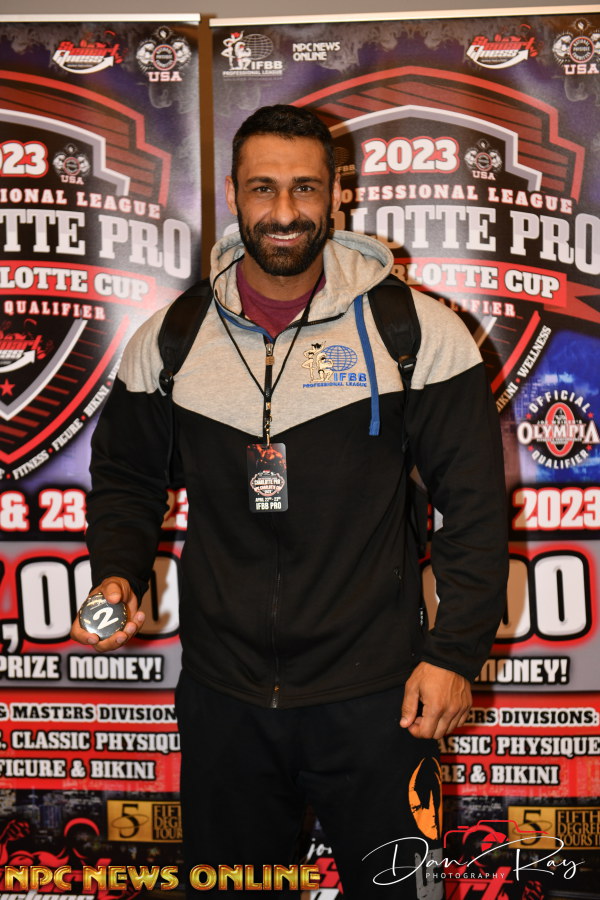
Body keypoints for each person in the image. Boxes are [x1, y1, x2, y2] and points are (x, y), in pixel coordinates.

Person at [71, 104, 508, 898]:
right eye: (263, 188)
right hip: (225, 697)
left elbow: (473, 508)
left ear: (337, 195)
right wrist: (118, 572)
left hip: (380, 699)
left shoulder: (419, 333)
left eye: (305, 188)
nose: (283, 212)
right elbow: (128, 479)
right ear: (233, 193)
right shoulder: (170, 338)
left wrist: (453, 656)